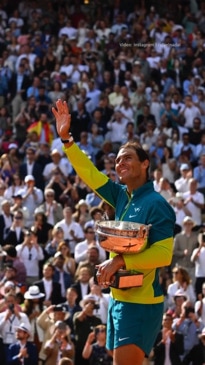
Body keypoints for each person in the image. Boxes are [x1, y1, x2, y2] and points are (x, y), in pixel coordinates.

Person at [52, 100, 176, 365]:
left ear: (145, 164)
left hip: (141, 304)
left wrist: (119, 261)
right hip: (119, 298)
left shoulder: (157, 204)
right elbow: (90, 173)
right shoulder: (119, 196)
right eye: (117, 160)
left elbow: (164, 255)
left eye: (128, 158)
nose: (120, 163)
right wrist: (67, 141)